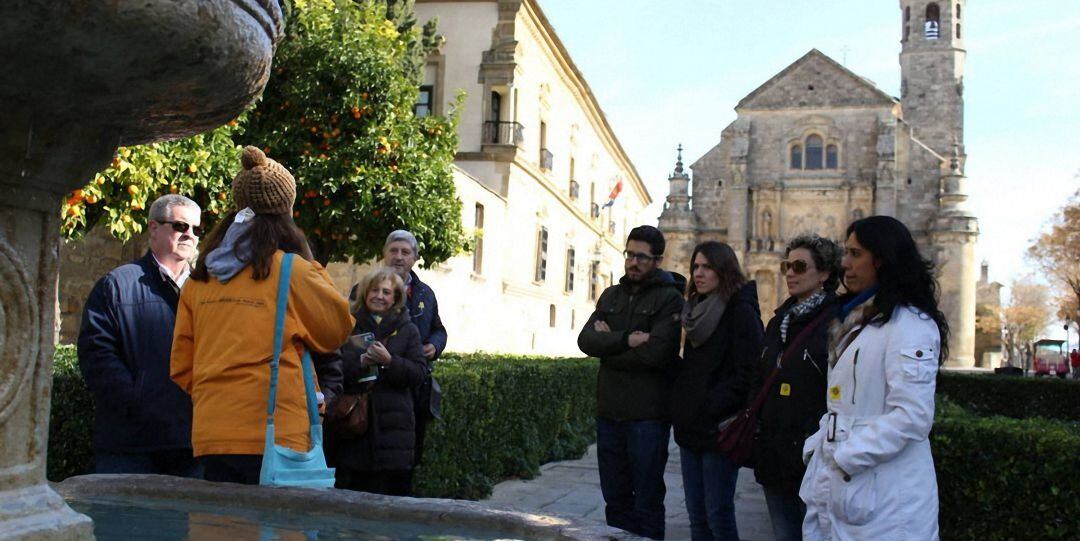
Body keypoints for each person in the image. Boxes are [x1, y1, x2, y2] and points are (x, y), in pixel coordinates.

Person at [170, 146, 352, 484]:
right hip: (278, 434)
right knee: (278, 532)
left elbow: (181, 366)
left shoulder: (200, 277)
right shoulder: (292, 271)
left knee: (219, 529)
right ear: (286, 212)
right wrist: (310, 263)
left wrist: (220, 399)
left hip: (213, 433)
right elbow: (337, 328)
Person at [800, 215, 949, 540]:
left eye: (855, 254)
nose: (845, 264)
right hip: (845, 488)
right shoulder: (855, 320)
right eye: (846, 253)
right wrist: (820, 446)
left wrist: (844, 457)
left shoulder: (910, 325)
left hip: (886, 498)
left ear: (882, 260)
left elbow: (912, 417)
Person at [77, 194, 204, 476]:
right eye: (181, 226)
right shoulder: (117, 285)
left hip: (192, 447)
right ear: (153, 229)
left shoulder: (207, 290)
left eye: (197, 229)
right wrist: (139, 402)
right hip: (130, 447)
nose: (190, 236)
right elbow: (96, 355)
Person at [577, 225, 684, 540]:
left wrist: (609, 346)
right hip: (609, 415)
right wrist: (627, 339)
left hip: (647, 419)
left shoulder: (669, 299)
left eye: (641, 256)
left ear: (657, 260)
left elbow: (658, 354)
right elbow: (585, 340)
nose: (633, 262)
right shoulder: (611, 295)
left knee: (648, 502)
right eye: (629, 254)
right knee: (615, 501)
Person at [669, 241, 764, 541]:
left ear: (724, 271)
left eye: (707, 267)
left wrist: (711, 405)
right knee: (696, 515)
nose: (699, 273)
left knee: (718, 515)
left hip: (720, 429)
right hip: (691, 427)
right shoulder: (695, 311)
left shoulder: (740, 312)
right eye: (696, 266)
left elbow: (749, 372)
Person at [753, 235, 842, 541]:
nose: (790, 273)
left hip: (812, 456)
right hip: (773, 454)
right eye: (786, 266)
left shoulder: (838, 322)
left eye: (800, 266)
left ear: (825, 273)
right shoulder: (779, 322)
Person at [329, 267, 428, 496]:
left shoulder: (408, 330)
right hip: (354, 430)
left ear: (395, 298)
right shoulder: (349, 326)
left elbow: (419, 373)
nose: (380, 296)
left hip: (394, 430)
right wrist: (360, 362)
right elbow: (334, 368)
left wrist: (390, 361)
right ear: (365, 293)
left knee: (391, 500)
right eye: (375, 290)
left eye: (386, 292)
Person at [379, 230, 448, 483]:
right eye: (394, 251)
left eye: (405, 252)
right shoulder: (367, 289)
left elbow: (439, 329)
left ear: (415, 257)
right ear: (384, 254)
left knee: (409, 455)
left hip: (416, 388)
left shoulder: (424, 294)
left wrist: (434, 345)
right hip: (379, 389)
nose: (399, 257)